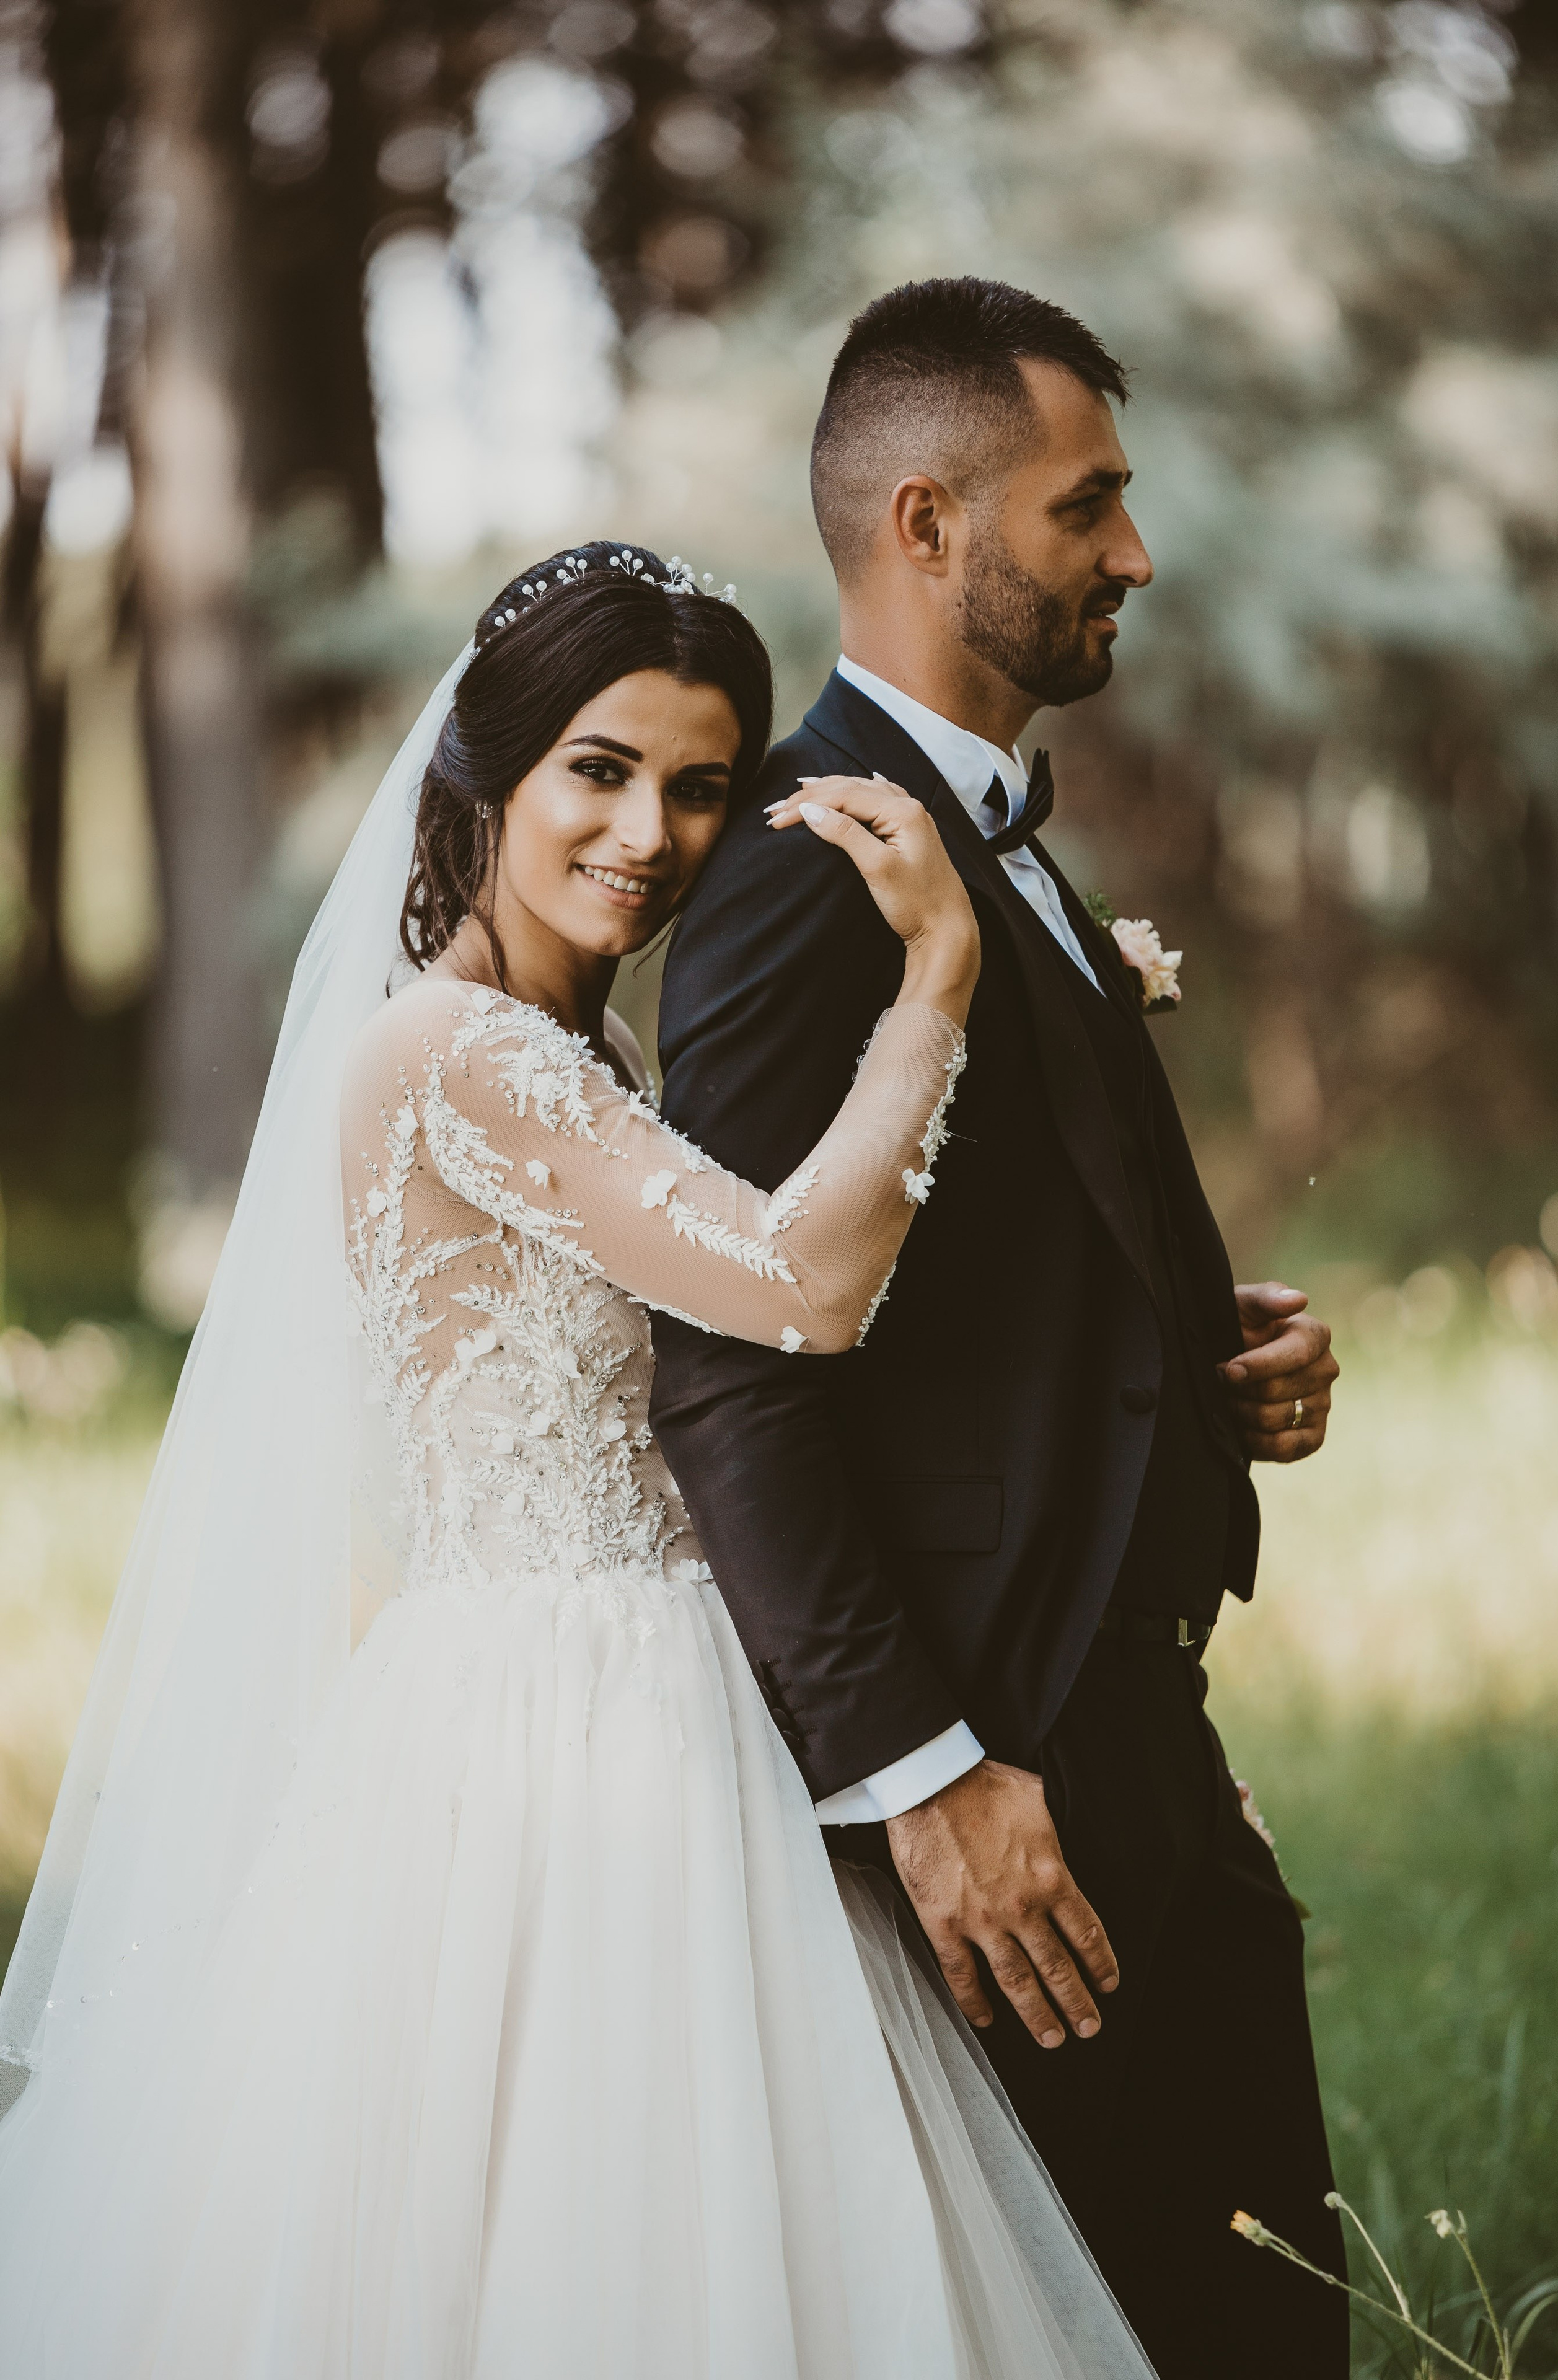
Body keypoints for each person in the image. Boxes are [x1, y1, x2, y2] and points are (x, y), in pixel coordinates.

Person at [0, 544, 1157, 2378]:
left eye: (704, 787)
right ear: (490, 768)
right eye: (600, 772)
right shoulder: (461, 1055)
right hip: (566, 1722)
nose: (652, 832)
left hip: (658, 1679)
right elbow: (803, 1282)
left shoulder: (581, 1049)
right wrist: (937, 977)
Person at [650, 281, 1352, 2379]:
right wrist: (922, 1774)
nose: (1134, 553)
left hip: (1130, 1721)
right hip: (997, 1768)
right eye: (1090, 505)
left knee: (1248, 2302)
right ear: (932, 522)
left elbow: (954, 1254)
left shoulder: (999, 833)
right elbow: (728, 1359)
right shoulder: (813, 858)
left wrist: (1200, 1344)